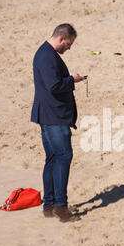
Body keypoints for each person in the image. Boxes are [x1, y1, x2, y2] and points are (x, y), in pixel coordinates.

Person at [31, 23, 86, 222]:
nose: (69, 48)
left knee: (53, 159)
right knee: (63, 157)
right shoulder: (47, 56)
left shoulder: (46, 53)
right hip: (53, 117)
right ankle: (61, 208)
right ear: (61, 38)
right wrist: (72, 80)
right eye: (69, 44)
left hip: (48, 115)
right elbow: (54, 85)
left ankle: (50, 205)